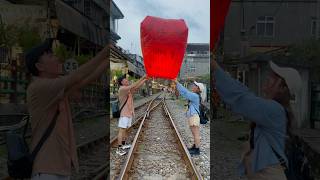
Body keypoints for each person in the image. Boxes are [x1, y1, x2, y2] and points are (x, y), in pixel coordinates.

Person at [25, 38, 109, 180]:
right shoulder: (39, 87)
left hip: (58, 168)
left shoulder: (55, 89)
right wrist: (104, 53)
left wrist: (108, 60)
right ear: (40, 66)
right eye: (51, 56)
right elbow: (77, 76)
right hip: (46, 170)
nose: (57, 58)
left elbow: (85, 80)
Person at [212, 59, 302, 180]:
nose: (269, 77)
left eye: (274, 78)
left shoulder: (274, 110)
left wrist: (216, 69)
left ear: (282, 88)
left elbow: (244, 99)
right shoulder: (274, 109)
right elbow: (246, 95)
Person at [116, 75, 149, 156]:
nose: (127, 80)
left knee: (125, 130)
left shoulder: (128, 90)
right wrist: (142, 77)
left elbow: (136, 87)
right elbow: (133, 85)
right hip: (124, 113)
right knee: (121, 130)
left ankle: (123, 144)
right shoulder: (122, 89)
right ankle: (119, 148)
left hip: (128, 113)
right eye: (125, 80)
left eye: (127, 79)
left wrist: (145, 80)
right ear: (122, 82)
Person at [174, 80, 205, 155]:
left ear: (198, 89)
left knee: (196, 134)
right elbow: (185, 93)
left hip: (194, 117)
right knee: (194, 134)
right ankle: (195, 147)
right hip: (193, 116)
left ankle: (197, 150)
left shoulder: (195, 96)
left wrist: (177, 83)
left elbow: (186, 93)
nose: (193, 86)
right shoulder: (195, 96)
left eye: (195, 86)